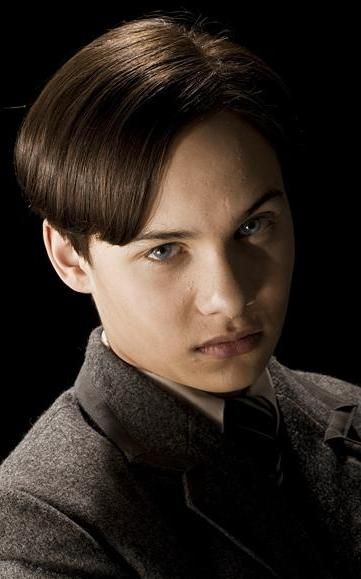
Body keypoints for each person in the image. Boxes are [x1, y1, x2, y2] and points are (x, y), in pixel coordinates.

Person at [0, 11, 360, 579]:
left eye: (252, 227)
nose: (230, 299)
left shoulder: (350, 407)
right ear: (70, 256)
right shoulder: (42, 519)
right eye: (164, 250)